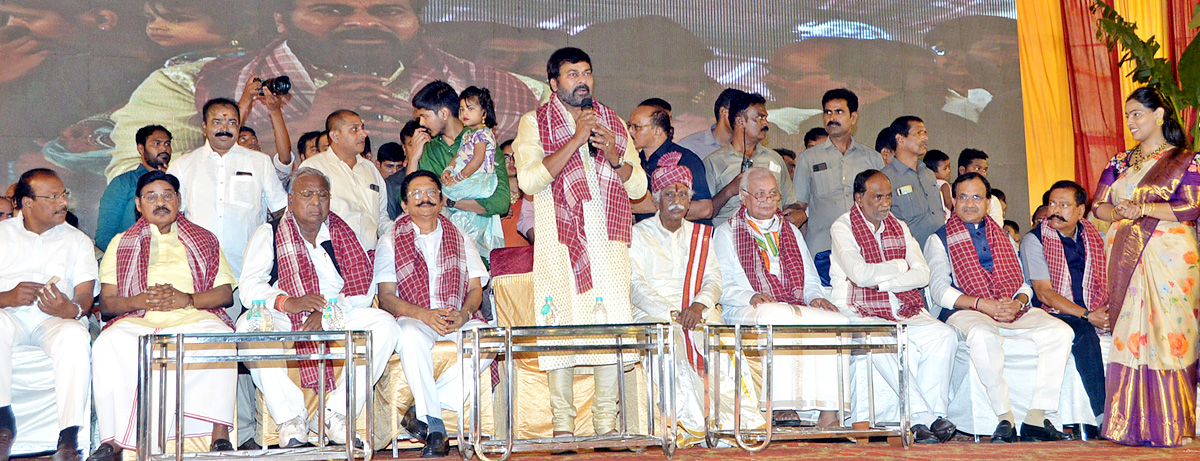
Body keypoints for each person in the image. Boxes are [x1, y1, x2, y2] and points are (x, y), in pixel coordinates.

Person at [105, 0, 541, 182]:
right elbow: (137, 183)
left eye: (388, 9)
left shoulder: (516, 91)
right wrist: (304, 126)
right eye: (330, 8)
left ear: (418, 19)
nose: (364, 23)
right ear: (282, 17)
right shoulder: (183, 85)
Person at [511, 47, 646, 438]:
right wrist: (575, 139)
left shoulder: (612, 122)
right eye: (572, 74)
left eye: (586, 72)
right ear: (554, 83)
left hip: (608, 243)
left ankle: (606, 427)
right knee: (561, 328)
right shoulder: (533, 123)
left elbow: (637, 186)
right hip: (559, 243)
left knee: (610, 328)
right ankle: (563, 429)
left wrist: (614, 154)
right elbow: (530, 181)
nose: (582, 80)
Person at [235, 167, 399, 448]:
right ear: (290, 199)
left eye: (323, 195)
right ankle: (290, 418)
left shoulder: (342, 232)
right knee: (249, 328)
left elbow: (361, 289)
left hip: (336, 311)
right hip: (283, 313)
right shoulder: (269, 232)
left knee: (384, 325)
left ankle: (336, 414)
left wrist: (328, 313)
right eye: (307, 194)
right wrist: (289, 302)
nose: (316, 202)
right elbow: (250, 288)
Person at [90, 171, 237, 460]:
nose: (161, 202)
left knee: (220, 337)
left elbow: (225, 295)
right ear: (138, 204)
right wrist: (139, 300)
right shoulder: (120, 243)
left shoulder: (205, 239)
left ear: (179, 200)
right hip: (138, 319)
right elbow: (107, 304)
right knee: (108, 343)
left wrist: (187, 299)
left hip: (192, 316)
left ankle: (219, 434)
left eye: (168, 195)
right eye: (151, 197)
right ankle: (114, 440)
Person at [925, 172, 1071, 443]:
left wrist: (1018, 302)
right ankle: (1005, 418)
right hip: (965, 310)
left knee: (1061, 332)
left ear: (987, 201)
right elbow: (940, 292)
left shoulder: (1003, 236)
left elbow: (1025, 285)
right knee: (983, 336)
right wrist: (983, 305)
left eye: (977, 197)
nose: (969, 204)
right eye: (963, 197)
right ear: (953, 201)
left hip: (1009, 307)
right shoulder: (939, 238)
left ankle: (1036, 416)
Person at [629, 153, 764, 444]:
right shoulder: (638, 235)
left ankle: (728, 425)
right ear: (656, 201)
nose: (677, 199)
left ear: (690, 200)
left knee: (719, 345)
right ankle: (688, 428)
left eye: (683, 193)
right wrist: (673, 314)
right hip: (656, 313)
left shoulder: (702, 236)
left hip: (698, 309)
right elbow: (636, 286)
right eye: (669, 193)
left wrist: (699, 305)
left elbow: (714, 278)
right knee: (672, 346)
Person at [1092, 87, 1200, 447]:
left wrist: (1144, 209)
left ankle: (1173, 424)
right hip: (1127, 253)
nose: (1131, 121)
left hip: (1170, 257)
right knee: (1130, 336)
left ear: (1159, 116)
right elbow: (1099, 206)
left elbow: (1191, 207)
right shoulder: (1120, 162)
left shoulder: (1186, 160)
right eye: (1128, 115)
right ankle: (1127, 423)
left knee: (1170, 335)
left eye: (1137, 113)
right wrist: (1120, 213)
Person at [829, 169, 957, 444]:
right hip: (857, 309)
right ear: (859, 198)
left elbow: (922, 274)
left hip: (900, 305)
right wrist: (900, 266)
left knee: (943, 335)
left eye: (888, 196)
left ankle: (934, 413)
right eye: (878, 197)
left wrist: (885, 285)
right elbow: (859, 274)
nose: (885, 203)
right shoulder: (842, 227)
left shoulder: (899, 225)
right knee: (882, 337)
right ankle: (922, 417)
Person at [714, 167, 848, 428]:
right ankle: (780, 404)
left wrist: (814, 298)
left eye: (772, 194)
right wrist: (750, 294)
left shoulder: (792, 231)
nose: (767, 200)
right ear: (744, 197)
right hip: (742, 305)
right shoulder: (726, 232)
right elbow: (722, 284)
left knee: (834, 320)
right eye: (759, 194)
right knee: (775, 314)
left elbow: (810, 279)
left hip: (790, 302)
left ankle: (829, 412)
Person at [374, 171, 491, 458]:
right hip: (416, 315)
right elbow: (387, 297)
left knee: (490, 339)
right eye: (415, 194)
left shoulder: (460, 236)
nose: (424, 198)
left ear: (440, 201)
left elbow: (476, 286)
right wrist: (425, 316)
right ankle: (437, 428)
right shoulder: (389, 240)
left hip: (455, 314)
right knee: (410, 334)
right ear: (404, 205)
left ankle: (422, 412)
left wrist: (464, 315)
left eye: (431, 192)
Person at [0, 169, 96, 461]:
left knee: (75, 334)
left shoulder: (77, 240)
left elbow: (85, 294)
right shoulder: (2, 235)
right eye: (52, 196)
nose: (62, 202)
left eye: (64, 194)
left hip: (52, 320)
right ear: (27, 203)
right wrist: (7, 297)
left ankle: (68, 438)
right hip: (8, 315)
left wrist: (71, 309)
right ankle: (3, 425)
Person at [1019, 180, 1107, 438]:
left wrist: (1107, 314)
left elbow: (1111, 281)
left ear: (1080, 211)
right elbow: (1044, 292)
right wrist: (1088, 316)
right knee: (1083, 331)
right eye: (1051, 204)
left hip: (1092, 310)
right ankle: (1102, 416)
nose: (1054, 210)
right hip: (1050, 314)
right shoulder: (1034, 240)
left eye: (1064, 205)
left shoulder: (1095, 238)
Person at [408, 81, 511, 258]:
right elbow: (409, 201)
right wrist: (413, 158)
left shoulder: (484, 140)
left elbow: (500, 203)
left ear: (444, 113)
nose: (421, 122)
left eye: (425, 116)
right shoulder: (427, 150)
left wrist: (450, 202)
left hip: (481, 253)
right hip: (442, 251)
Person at [793, 88, 884, 286]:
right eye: (827, 112)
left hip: (864, 248)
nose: (831, 118)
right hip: (823, 248)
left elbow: (883, 205)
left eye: (838, 112)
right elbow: (798, 205)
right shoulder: (808, 158)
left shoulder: (872, 159)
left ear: (853, 117)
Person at [297, 110, 388, 251]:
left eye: (362, 128)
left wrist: (400, 233)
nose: (363, 134)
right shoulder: (313, 167)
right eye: (355, 129)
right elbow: (300, 218)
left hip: (370, 258)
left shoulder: (370, 169)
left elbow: (381, 217)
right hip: (329, 259)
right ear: (334, 136)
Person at [704, 91, 795, 224]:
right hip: (730, 240)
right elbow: (705, 213)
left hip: (771, 239)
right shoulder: (713, 162)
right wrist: (730, 190)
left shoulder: (774, 159)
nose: (766, 124)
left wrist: (799, 214)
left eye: (766, 118)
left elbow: (790, 203)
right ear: (740, 121)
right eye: (759, 118)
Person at [437, 86, 504, 257]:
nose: (464, 113)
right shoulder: (467, 134)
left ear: (484, 112)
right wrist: (449, 170)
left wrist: (457, 178)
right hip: (468, 176)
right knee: (444, 190)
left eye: (470, 108)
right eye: (461, 109)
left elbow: (477, 160)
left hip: (479, 178)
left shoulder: (483, 133)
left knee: (448, 194)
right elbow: (459, 156)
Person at [628, 101, 713, 225]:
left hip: (683, 241)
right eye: (629, 125)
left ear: (657, 131)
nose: (630, 131)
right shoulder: (635, 161)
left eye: (636, 127)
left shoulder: (684, 159)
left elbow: (705, 209)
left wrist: (655, 207)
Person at [96, 125, 173, 251]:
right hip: (130, 261)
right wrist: (131, 260)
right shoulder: (123, 183)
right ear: (141, 148)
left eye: (167, 144)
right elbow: (104, 237)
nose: (164, 148)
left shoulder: (177, 181)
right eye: (157, 143)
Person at [882, 116, 944, 248]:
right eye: (919, 133)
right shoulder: (885, 179)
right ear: (900, 139)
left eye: (925, 133)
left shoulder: (929, 174)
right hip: (911, 256)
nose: (925, 137)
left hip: (940, 254)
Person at [677, 88, 743, 159]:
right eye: (740, 113)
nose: (743, 119)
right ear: (724, 112)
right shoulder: (688, 147)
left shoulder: (749, 147)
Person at [385, 121, 423, 220]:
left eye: (423, 143)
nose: (419, 149)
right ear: (404, 148)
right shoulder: (392, 184)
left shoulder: (442, 174)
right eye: (412, 145)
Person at [498, 140, 531, 248]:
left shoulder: (533, 196)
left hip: (531, 257)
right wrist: (497, 218)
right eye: (506, 158)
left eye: (516, 156)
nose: (512, 161)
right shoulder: (494, 197)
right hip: (500, 258)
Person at [958, 148, 1003, 224]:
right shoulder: (947, 194)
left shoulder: (992, 201)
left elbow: (996, 230)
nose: (982, 173)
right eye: (977, 168)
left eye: (985, 170)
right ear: (962, 170)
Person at [923, 149, 953, 220]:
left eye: (949, 167)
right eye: (945, 168)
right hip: (947, 216)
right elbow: (948, 203)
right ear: (933, 172)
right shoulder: (944, 184)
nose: (949, 170)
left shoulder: (927, 183)